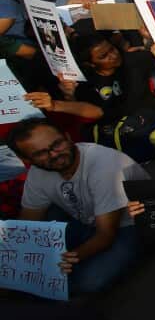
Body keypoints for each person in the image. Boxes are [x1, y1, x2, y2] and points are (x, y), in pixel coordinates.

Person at [10, 118, 147, 295]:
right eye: (40, 153)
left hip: (127, 225)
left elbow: (105, 235)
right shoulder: (37, 173)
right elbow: (28, 222)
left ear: (68, 137)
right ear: (26, 159)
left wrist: (62, 260)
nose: (54, 154)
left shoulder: (105, 166)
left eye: (57, 144)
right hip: (85, 218)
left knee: (89, 282)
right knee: (28, 236)